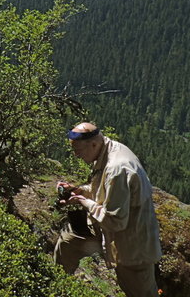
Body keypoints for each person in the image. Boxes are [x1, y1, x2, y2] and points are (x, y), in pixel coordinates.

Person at [54, 122, 162, 297]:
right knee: (67, 243)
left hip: (133, 246)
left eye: (79, 150)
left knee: (140, 292)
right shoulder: (109, 149)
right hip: (111, 231)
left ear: (94, 144)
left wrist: (82, 201)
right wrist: (79, 190)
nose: (76, 155)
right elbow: (105, 191)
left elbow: (115, 221)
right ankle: (56, 286)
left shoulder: (116, 168)